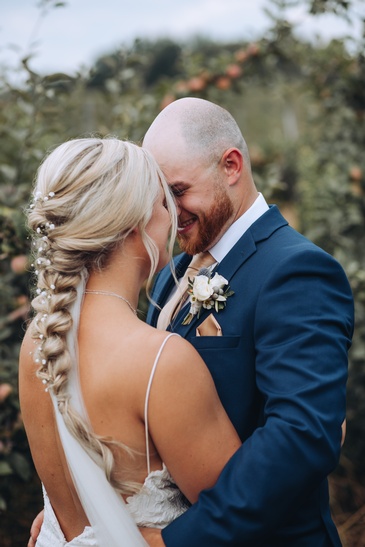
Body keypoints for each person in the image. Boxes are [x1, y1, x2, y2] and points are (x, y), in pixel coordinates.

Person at [139, 97, 354, 546]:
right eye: (160, 199)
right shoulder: (167, 277)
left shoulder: (298, 271)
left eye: (177, 192)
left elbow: (300, 436)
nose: (169, 213)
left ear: (231, 166)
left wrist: (179, 541)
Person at [19, 137, 241, 546]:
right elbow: (240, 512)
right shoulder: (161, 360)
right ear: (134, 225)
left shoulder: (39, 339)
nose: (173, 217)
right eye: (162, 204)